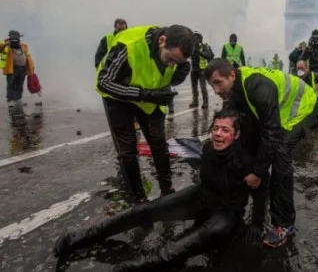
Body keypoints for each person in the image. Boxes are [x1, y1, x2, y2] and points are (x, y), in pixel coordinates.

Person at [53, 110, 267, 271]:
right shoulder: (207, 148)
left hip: (225, 213)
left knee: (191, 241)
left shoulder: (248, 162)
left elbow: (260, 190)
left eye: (225, 130)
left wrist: (257, 222)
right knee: (144, 210)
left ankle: (138, 265)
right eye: (215, 128)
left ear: (236, 135)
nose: (218, 134)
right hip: (200, 197)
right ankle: (82, 237)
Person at [205, 59, 318, 248]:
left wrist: (257, 172)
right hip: (277, 111)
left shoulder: (257, 87)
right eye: (212, 85)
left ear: (231, 75)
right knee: (249, 141)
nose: (215, 90)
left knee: (280, 155)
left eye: (218, 82)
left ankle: (284, 224)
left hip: (302, 108)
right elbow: (231, 123)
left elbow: (271, 133)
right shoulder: (235, 89)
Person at [96, 25, 193, 204]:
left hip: (152, 97)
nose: (171, 64)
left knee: (158, 143)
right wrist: (145, 95)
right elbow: (104, 82)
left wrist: (178, 76)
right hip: (119, 98)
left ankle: (167, 189)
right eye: (170, 59)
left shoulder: (176, 56)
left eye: (176, 62)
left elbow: (168, 75)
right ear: (162, 41)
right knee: (128, 150)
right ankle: (138, 197)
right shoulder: (129, 45)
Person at [1, 30, 35, 108]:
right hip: (12, 69)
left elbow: (28, 56)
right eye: (12, 37)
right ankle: (10, 100)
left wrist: (31, 67)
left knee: (20, 84)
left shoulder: (23, 46)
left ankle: (18, 99)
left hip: (22, 68)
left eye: (16, 37)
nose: (15, 40)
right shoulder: (7, 46)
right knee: (11, 84)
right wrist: (5, 42)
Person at [189, 32, 214, 109]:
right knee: (194, 87)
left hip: (202, 69)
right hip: (194, 69)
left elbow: (208, 55)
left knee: (203, 87)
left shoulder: (204, 46)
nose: (195, 39)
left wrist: (199, 51)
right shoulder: (191, 47)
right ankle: (195, 102)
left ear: (200, 39)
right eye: (194, 38)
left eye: (197, 38)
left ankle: (205, 102)